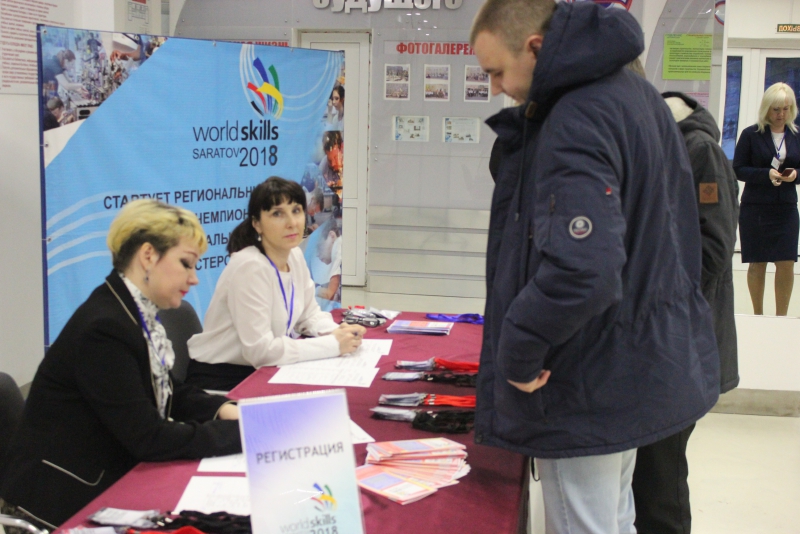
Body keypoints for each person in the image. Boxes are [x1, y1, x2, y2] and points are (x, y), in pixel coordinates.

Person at [470, 2, 719, 533]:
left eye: (495, 71)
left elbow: (583, 269)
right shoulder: (636, 98)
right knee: (614, 520)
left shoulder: (576, 116)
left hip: (585, 379)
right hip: (634, 366)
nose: (494, 87)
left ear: (535, 48)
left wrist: (517, 349)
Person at [0, 200, 241, 529]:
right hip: (61, 501)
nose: (194, 278)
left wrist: (226, 409)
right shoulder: (105, 328)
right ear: (148, 256)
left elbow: (170, 391)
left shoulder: (128, 311)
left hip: (105, 473)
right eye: (186, 263)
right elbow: (150, 438)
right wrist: (243, 433)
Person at [631, 92, 740, 534]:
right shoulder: (665, 147)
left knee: (661, 480)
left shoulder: (701, 152)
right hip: (661, 346)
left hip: (684, 349)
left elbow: (711, 252)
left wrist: (641, 273)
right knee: (646, 476)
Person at [185, 177, 364, 391]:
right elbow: (261, 352)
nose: (291, 222)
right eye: (277, 214)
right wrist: (333, 345)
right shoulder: (249, 266)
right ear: (256, 223)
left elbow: (309, 316)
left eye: (296, 211)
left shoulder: (294, 255)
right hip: (223, 380)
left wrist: (340, 333)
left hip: (263, 371)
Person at [733, 82, 800, 316]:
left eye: (785, 109)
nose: (781, 114)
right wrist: (765, 174)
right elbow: (738, 168)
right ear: (766, 109)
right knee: (757, 262)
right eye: (776, 109)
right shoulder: (751, 134)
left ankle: (781, 317)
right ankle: (757, 315)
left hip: (786, 208)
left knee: (786, 262)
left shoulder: (796, 135)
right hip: (756, 208)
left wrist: (795, 175)